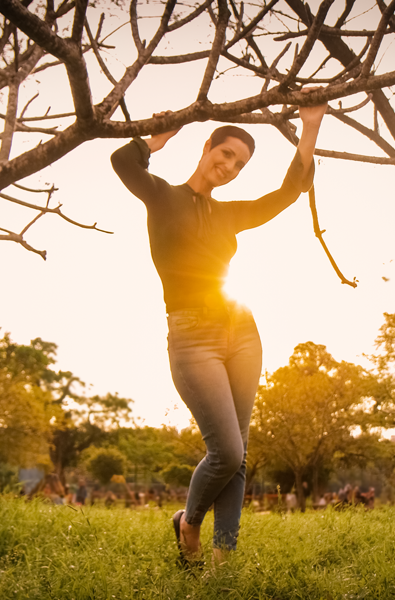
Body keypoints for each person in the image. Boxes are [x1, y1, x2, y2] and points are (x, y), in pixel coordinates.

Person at [110, 89, 327, 567]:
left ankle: (223, 561)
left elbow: (287, 194)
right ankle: (188, 522)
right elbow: (122, 162)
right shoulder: (162, 196)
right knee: (225, 450)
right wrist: (155, 140)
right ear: (207, 148)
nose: (229, 166)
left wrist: (310, 127)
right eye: (226, 153)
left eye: (239, 164)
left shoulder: (230, 215)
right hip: (192, 337)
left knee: (240, 455)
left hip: (243, 333)